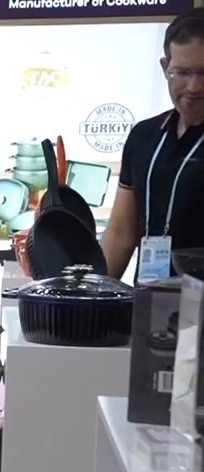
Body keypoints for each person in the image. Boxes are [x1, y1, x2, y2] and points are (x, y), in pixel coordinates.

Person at [102, 9, 204, 281]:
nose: (194, 86)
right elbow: (121, 234)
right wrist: (92, 296)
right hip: (150, 298)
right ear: (165, 67)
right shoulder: (144, 136)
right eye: (182, 72)